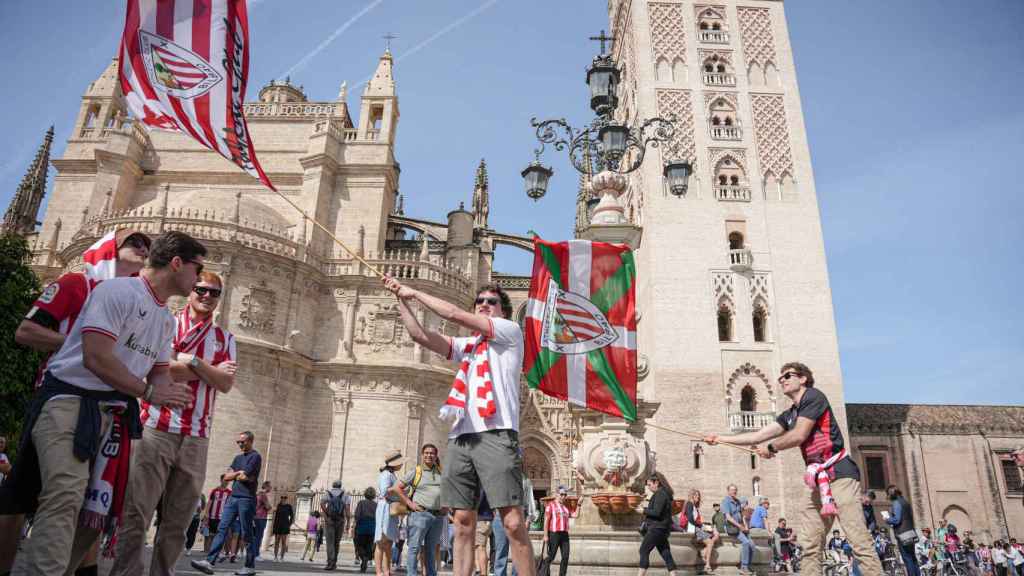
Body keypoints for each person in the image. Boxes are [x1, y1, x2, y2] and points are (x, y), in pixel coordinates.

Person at [3, 230, 199, 576]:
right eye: (198, 268)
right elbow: (96, 357)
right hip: (70, 401)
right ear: (177, 263)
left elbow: (157, 371)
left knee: (96, 512)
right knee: (64, 496)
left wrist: (173, 390)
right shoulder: (117, 291)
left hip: (115, 415)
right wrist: (150, 392)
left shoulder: (166, 319)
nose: (199, 278)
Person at [385, 276, 536, 576]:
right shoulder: (469, 345)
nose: (483, 305)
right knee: (463, 522)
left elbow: (452, 314)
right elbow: (421, 336)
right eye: (479, 302)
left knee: (513, 522)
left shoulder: (509, 332)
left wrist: (415, 290)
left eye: (490, 302)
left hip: (497, 433)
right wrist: (401, 299)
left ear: (503, 311)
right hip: (461, 439)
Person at [111, 270, 237, 576]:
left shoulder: (225, 338)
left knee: (178, 521)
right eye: (201, 290)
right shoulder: (164, 323)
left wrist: (190, 360)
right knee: (137, 512)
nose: (206, 296)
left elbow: (225, 383)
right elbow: (160, 366)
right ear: (190, 291)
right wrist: (208, 369)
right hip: (156, 427)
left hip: (197, 436)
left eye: (214, 293)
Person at [705, 362, 884, 576]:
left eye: (788, 375)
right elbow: (757, 436)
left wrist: (771, 447)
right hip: (817, 481)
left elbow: (799, 434)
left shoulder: (814, 397)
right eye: (780, 378)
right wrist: (719, 439)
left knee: (859, 541)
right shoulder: (790, 414)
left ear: (803, 378)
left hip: (841, 474)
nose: (782, 380)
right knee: (810, 545)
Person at [190, 430, 263, 575]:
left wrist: (236, 475)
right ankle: (209, 562)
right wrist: (237, 473)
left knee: (247, 532)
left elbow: (244, 476)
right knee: (222, 528)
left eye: (242, 442)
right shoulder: (237, 458)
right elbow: (227, 477)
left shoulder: (255, 457)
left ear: (250, 441)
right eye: (238, 442)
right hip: (233, 497)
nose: (240, 444)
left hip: (246, 499)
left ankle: (249, 566)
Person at [392, 444, 445, 576]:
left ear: (436, 455)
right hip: (420, 514)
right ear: (422, 455)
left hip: (437, 516)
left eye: (432, 453)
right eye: (426, 453)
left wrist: (446, 506)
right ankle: (412, 574)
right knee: (414, 548)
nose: (429, 455)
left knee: (431, 549)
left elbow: (448, 490)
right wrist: (410, 503)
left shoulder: (440, 472)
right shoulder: (416, 472)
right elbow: (397, 487)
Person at [493, 470, 538, 576]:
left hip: (519, 515)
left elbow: (529, 500)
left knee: (519, 550)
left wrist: (529, 518)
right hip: (500, 515)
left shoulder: (524, 479)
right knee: (500, 551)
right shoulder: (498, 476)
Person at [638, 472, 678, 576]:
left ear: (656, 482)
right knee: (665, 553)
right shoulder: (663, 494)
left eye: (649, 484)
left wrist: (643, 511)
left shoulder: (660, 494)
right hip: (662, 529)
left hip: (657, 528)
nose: (648, 487)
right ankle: (673, 574)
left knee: (643, 550)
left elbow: (656, 512)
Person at [375, 451, 403, 576]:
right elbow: (385, 492)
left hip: (391, 509)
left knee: (389, 542)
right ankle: (379, 571)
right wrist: (399, 490)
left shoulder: (391, 474)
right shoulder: (386, 475)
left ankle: (386, 570)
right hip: (385, 508)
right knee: (381, 541)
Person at [885, 485, 920, 576]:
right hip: (911, 533)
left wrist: (887, 519)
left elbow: (897, 519)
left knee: (907, 559)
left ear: (892, 494)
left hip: (903, 535)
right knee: (913, 558)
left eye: (888, 494)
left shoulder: (896, 503)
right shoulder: (905, 502)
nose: (888, 497)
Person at [540, 487, 577, 576]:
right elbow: (546, 521)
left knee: (565, 556)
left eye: (565, 495)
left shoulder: (565, 508)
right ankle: (543, 572)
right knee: (551, 556)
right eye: (561, 494)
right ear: (557, 494)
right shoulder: (551, 505)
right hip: (554, 533)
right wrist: (545, 535)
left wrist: (579, 505)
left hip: (564, 534)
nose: (563, 496)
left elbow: (575, 515)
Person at [720, 484, 755, 575]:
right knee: (746, 542)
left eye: (735, 490)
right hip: (731, 527)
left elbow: (742, 516)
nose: (734, 491)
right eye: (732, 490)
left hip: (740, 527)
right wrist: (740, 526)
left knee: (752, 545)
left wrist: (745, 526)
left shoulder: (737, 501)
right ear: (728, 491)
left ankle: (747, 565)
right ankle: (744, 566)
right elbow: (728, 517)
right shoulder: (725, 502)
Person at [683, 489, 719, 574]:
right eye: (697, 496)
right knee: (710, 542)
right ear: (692, 496)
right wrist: (701, 526)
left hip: (696, 528)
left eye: (699, 496)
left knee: (714, 536)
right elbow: (690, 519)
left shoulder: (694, 506)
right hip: (693, 529)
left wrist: (703, 526)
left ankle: (703, 555)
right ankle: (707, 565)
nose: (698, 498)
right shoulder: (689, 504)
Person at [321, 479, 352, 570]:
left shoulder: (328, 493)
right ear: (340, 486)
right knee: (336, 543)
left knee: (330, 542)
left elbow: (322, 503)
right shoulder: (345, 495)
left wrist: (327, 513)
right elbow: (347, 510)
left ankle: (330, 562)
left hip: (330, 520)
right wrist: (348, 522)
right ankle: (334, 562)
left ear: (333, 485)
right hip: (340, 521)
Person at [204, 475, 232, 553]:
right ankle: (210, 551)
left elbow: (229, 505)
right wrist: (206, 514)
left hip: (223, 517)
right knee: (211, 535)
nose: (226, 482)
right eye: (225, 480)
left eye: (228, 481)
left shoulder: (229, 492)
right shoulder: (215, 491)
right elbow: (209, 502)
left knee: (221, 535)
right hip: (212, 517)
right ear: (221, 480)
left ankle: (220, 551)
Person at [354, 487, 378, 573]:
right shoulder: (376, 505)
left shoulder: (361, 503)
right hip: (372, 527)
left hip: (362, 526)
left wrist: (356, 524)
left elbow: (357, 515)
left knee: (359, 544)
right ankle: (366, 558)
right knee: (369, 545)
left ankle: (363, 557)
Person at [271, 495, 295, 561]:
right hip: (277, 525)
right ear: (280, 498)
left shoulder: (289, 506)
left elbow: (292, 516)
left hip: (285, 526)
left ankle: (282, 557)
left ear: (286, 499)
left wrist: (289, 524)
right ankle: (275, 557)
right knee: (276, 542)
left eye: (285, 498)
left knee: (283, 542)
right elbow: (274, 516)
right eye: (282, 497)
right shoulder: (278, 506)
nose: (283, 499)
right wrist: (274, 526)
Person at [254, 481, 272, 561]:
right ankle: (256, 555)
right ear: (266, 487)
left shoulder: (258, 494)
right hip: (261, 517)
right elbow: (268, 507)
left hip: (255, 517)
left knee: (255, 537)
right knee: (258, 537)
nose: (271, 488)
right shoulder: (263, 495)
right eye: (270, 486)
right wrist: (271, 507)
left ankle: (253, 553)